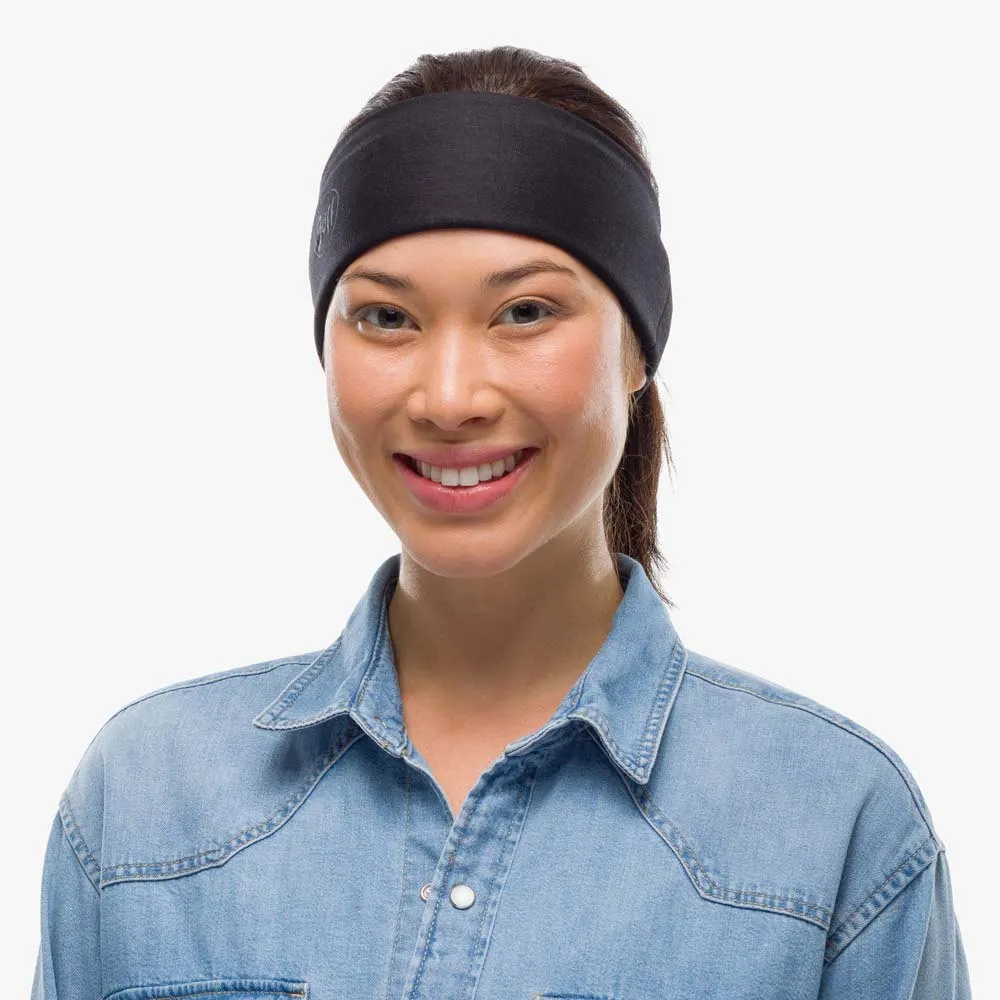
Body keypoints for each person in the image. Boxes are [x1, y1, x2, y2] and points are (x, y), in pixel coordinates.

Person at [32, 45, 972, 1000]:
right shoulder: (144, 803)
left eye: (524, 312)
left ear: (637, 350)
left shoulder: (836, 830)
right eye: (386, 318)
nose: (449, 398)